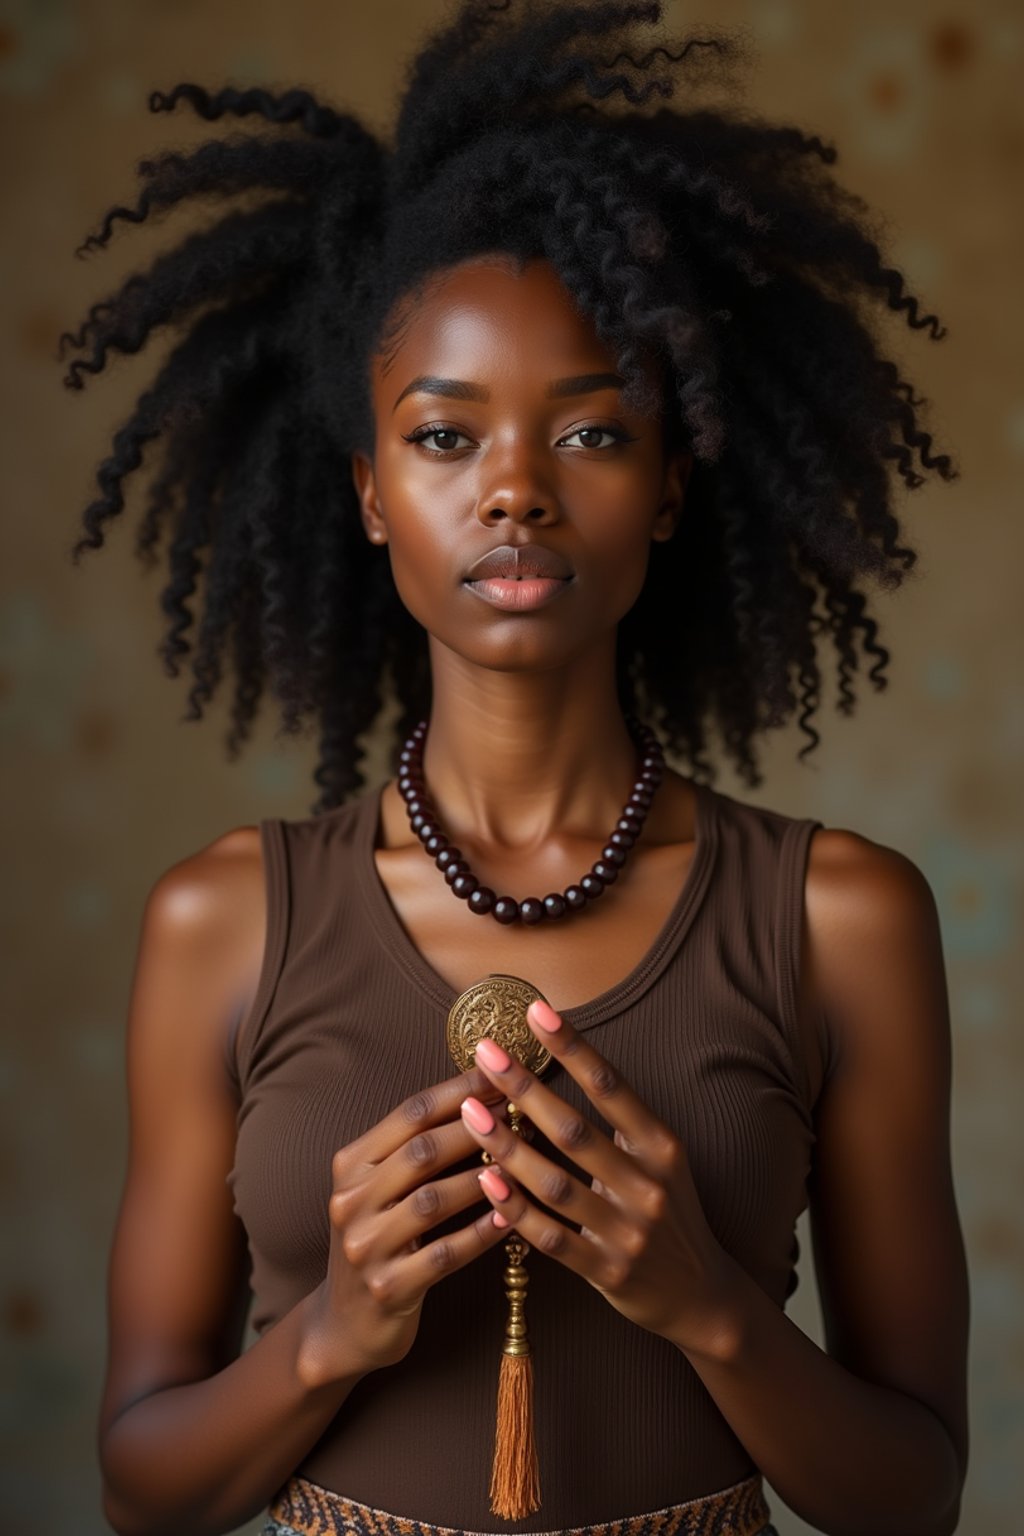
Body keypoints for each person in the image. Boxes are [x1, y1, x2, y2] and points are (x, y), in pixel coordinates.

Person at [64, 3, 969, 1534]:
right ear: (365, 493)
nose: (517, 493)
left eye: (595, 434)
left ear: (673, 487)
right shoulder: (219, 920)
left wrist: (710, 1305)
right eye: (442, 436)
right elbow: (144, 1490)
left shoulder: (843, 919)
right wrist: (329, 1336)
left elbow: (914, 1498)